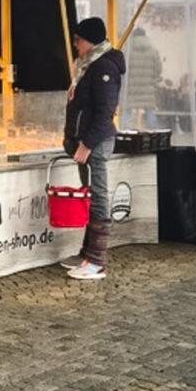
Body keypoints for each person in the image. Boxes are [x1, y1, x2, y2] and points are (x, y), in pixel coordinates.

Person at [61, 16, 125, 281]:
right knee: (88, 196)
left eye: (78, 40)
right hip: (85, 142)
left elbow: (104, 112)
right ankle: (87, 252)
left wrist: (86, 144)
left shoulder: (103, 68)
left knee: (98, 196)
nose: (75, 45)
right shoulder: (87, 67)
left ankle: (97, 261)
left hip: (95, 144)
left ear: (90, 41)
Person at [124, 27, 162, 128]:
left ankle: (123, 134)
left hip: (130, 89)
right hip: (147, 89)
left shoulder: (127, 51)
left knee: (126, 112)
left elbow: (123, 69)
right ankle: (154, 134)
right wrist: (153, 82)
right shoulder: (153, 51)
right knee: (150, 112)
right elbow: (158, 70)